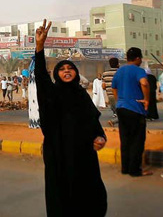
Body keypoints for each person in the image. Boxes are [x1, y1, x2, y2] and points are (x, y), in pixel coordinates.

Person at [34, 19, 107, 217]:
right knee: (62, 197)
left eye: (70, 69)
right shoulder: (51, 93)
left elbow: (93, 120)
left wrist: (100, 137)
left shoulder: (82, 95)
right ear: (57, 74)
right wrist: (40, 47)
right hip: (58, 152)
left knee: (90, 195)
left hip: (84, 153)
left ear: (76, 73)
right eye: (62, 69)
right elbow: (40, 77)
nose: (67, 71)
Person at [112, 47, 151, 177]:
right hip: (135, 108)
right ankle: (135, 169)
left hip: (121, 107)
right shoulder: (139, 71)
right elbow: (144, 83)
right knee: (137, 140)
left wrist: (119, 101)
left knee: (125, 139)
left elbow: (114, 88)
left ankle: (125, 168)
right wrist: (146, 99)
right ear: (138, 58)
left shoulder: (120, 71)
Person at [102, 57, 120, 126]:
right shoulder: (120, 72)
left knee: (115, 109)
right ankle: (114, 121)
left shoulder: (105, 73)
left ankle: (115, 120)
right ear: (118, 64)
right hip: (119, 94)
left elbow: (103, 86)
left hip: (109, 94)